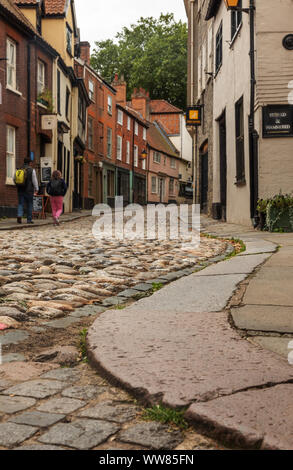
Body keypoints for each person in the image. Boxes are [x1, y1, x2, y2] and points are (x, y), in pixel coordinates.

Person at [14, 158, 39, 224]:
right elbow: (34, 180)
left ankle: (19, 215)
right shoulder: (32, 170)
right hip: (29, 191)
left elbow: (14, 179)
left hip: (20, 190)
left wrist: (18, 185)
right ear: (30, 163)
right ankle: (29, 219)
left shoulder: (19, 169)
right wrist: (37, 189)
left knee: (20, 204)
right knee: (29, 204)